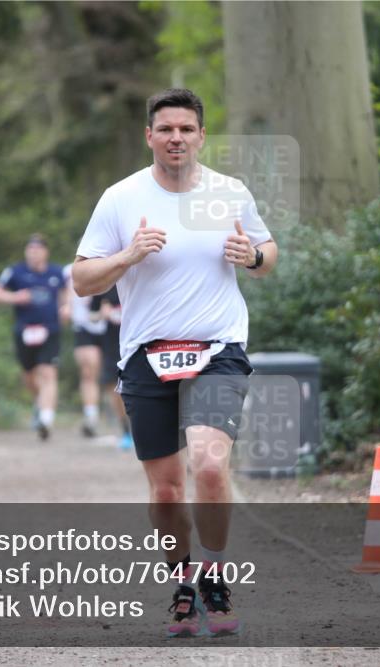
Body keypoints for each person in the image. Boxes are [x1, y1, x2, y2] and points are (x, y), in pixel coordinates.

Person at [72, 88, 277, 637]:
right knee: (165, 492)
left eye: (187, 129)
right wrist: (128, 256)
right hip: (146, 354)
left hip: (218, 348)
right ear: (150, 136)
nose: (177, 138)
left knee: (209, 465)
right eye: (166, 129)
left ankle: (212, 575)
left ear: (202, 135)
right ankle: (182, 584)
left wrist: (252, 257)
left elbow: (268, 253)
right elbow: (82, 278)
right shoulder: (120, 199)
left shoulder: (229, 192)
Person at [0, 234, 67, 440]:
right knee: (29, 377)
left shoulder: (56, 273)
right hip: (24, 330)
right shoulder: (15, 272)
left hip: (50, 329)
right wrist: (14, 297)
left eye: (37, 249)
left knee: (48, 373)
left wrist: (66, 308)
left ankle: (46, 420)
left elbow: (66, 294)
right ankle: (39, 406)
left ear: (46, 252)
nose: (33, 253)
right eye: (29, 249)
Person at [64, 262, 106, 437]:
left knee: (114, 375)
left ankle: (125, 421)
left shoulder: (116, 261)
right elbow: (66, 291)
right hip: (83, 325)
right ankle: (91, 417)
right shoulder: (69, 270)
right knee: (89, 371)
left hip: (111, 326)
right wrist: (66, 307)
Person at [89, 285, 133, 450]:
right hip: (112, 344)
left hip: (139, 342)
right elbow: (91, 316)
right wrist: (101, 313)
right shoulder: (106, 281)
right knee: (114, 387)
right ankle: (126, 430)